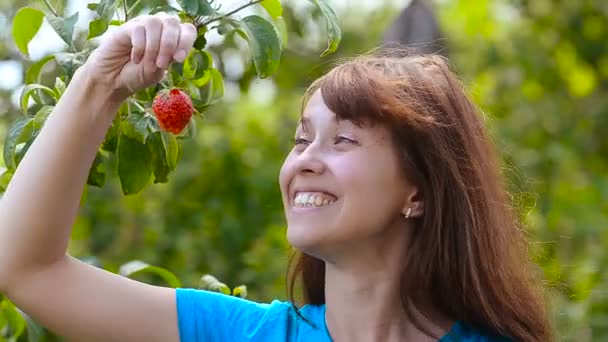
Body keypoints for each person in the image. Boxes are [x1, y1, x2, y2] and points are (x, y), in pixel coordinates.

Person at [0, 14, 552, 342]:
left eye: (343, 140)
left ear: (420, 191)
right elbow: (25, 270)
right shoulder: (242, 333)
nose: (304, 161)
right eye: (300, 138)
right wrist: (99, 84)